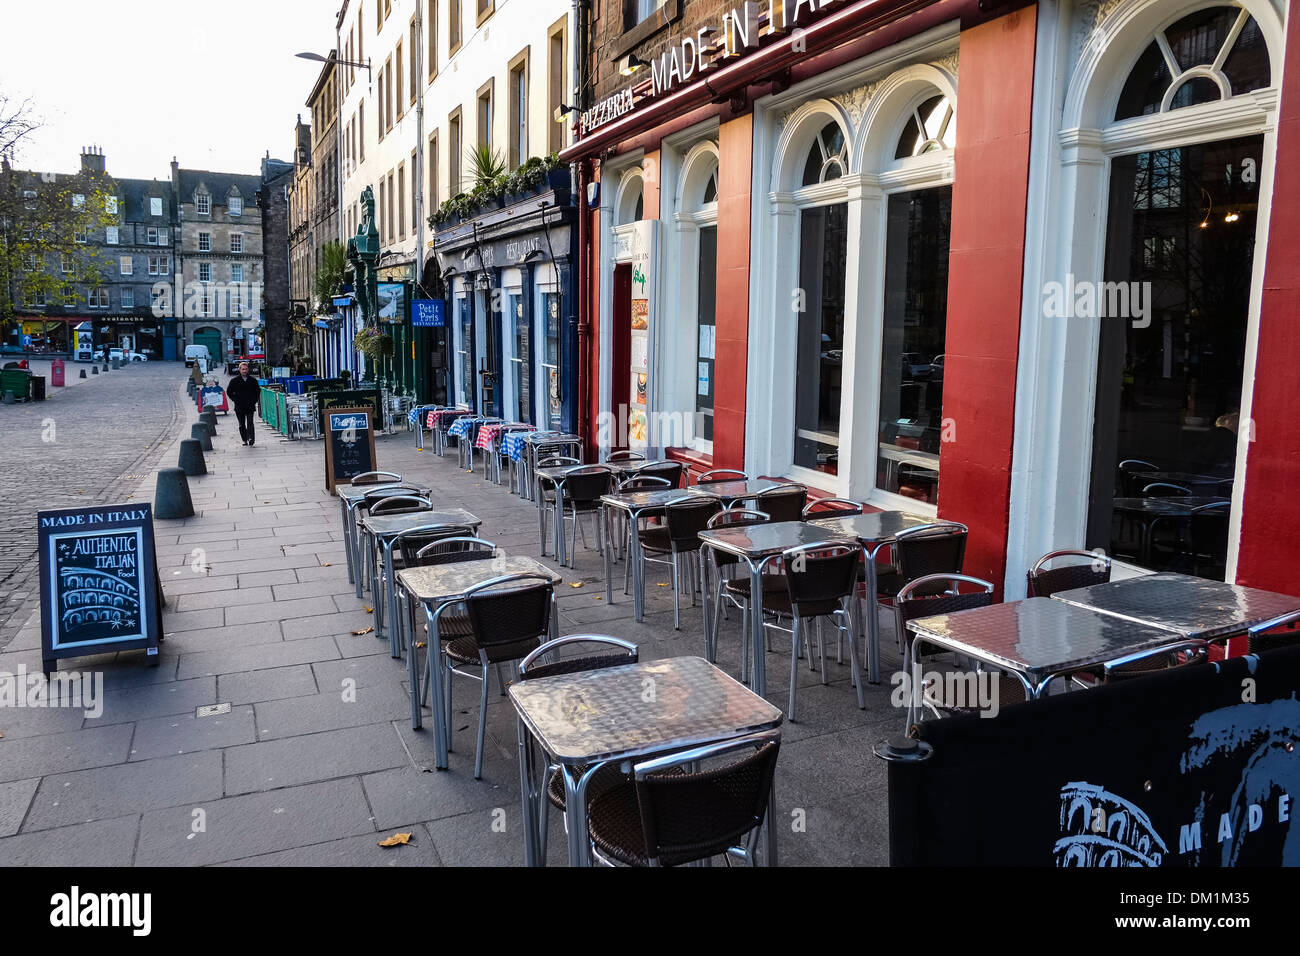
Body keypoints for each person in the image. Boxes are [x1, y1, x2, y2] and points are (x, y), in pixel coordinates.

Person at [226, 361, 261, 446]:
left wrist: (254, 400)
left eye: (246, 369)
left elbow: (257, 391)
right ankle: (244, 439)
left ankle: (251, 438)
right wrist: (235, 400)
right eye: (243, 369)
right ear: (239, 370)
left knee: (250, 422)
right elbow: (229, 392)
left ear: (248, 369)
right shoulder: (234, 381)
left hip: (250, 405)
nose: (244, 371)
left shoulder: (253, 380)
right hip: (239, 406)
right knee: (241, 424)